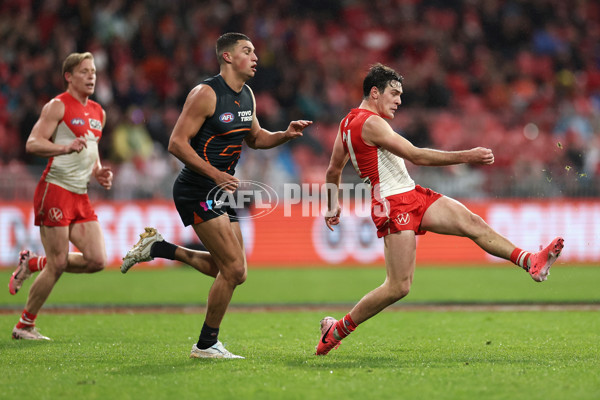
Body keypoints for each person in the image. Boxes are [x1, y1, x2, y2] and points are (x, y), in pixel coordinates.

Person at [315, 63, 564, 356]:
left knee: (473, 223)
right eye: (394, 94)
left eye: (400, 95)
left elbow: (333, 170)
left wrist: (332, 206)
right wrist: (467, 156)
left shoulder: (347, 124)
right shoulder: (370, 123)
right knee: (398, 286)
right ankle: (337, 331)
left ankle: (531, 261)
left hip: (411, 194)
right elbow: (416, 155)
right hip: (394, 205)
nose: (398, 101)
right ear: (374, 92)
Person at [121, 32, 312, 359]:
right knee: (234, 269)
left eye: (254, 51)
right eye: (247, 51)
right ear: (227, 57)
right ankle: (206, 344)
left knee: (232, 270)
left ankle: (158, 247)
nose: (255, 57)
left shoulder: (247, 94)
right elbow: (176, 143)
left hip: (220, 189)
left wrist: (285, 134)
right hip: (197, 188)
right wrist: (216, 174)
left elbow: (256, 138)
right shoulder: (205, 94)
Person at [9, 52, 113, 340]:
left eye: (93, 71)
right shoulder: (57, 106)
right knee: (58, 264)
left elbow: (91, 151)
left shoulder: (98, 112)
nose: (91, 76)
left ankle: (31, 264)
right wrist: (62, 149)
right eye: (84, 71)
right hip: (55, 189)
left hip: (80, 194)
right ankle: (24, 325)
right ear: (69, 76)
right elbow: (32, 143)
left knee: (97, 260)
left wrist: (99, 171)